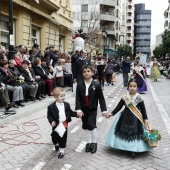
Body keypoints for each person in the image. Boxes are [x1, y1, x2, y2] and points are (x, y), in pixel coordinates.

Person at [104, 79, 151, 156]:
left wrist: (146, 119)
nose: (132, 88)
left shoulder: (139, 97)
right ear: (128, 87)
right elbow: (118, 107)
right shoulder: (125, 97)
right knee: (124, 131)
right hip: (125, 116)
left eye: (134, 86)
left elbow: (143, 109)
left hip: (136, 118)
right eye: (130, 86)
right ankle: (124, 147)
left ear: (137, 87)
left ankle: (133, 149)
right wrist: (112, 113)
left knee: (134, 132)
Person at [75, 65, 107, 154]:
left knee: (91, 125)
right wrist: (78, 109)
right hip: (83, 108)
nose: (86, 73)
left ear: (92, 72)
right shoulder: (80, 84)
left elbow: (101, 98)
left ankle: (94, 143)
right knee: (85, 126)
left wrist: (104, 110)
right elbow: (77, 98)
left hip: (92, 108)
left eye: (88, 71)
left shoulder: (96, 84)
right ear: (82, 73)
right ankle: (88, 143)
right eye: (84, 72)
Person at [47, 87, 80, 159]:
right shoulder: (51, 107)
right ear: (55, 97)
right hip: (56, 125)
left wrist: (77, 114)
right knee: (54, 137)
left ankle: (62, 150)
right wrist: (52, 121)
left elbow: (70, 113)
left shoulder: (67, 105)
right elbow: (49, 116)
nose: (63, 97)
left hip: (64, 124)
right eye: (61, 96)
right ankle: (56, 143)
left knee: (63, 138)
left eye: (64, 95)